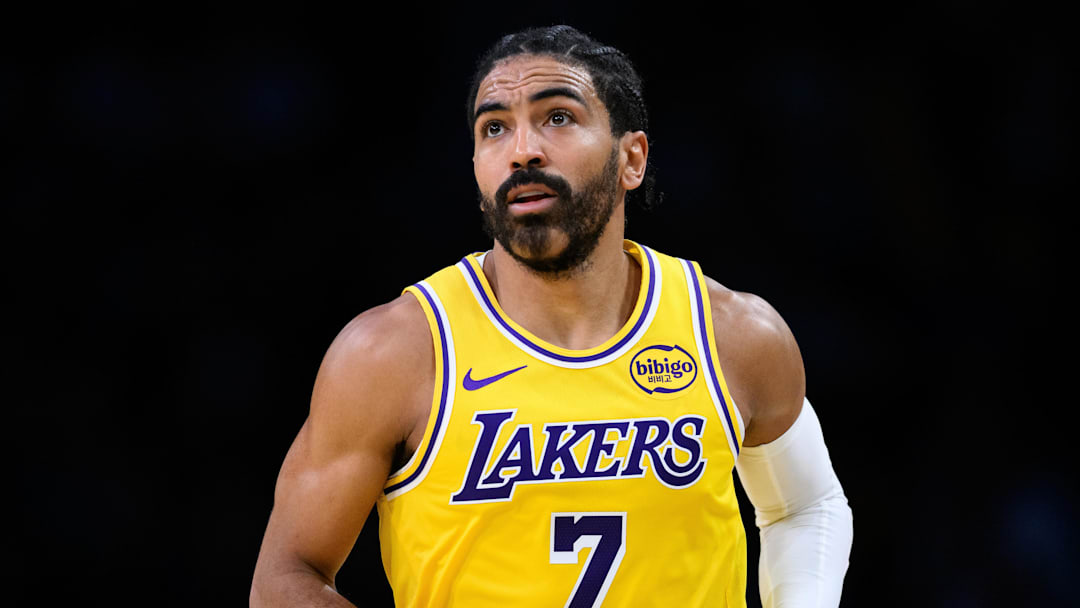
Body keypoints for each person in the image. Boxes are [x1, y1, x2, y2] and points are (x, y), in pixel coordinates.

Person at [251, 25, 853, 608]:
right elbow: (286, 575)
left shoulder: (733, 335)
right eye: (494, 129)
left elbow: (805, 506)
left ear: (631, 158)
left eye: (557, 117)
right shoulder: (394, 352)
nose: (523, 150)